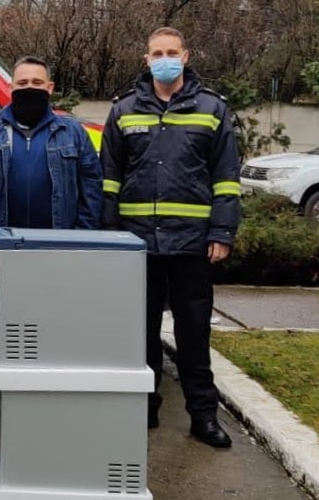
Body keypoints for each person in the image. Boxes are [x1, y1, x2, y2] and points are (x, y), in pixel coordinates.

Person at [101, 27, 241, 448]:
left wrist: (222, 231)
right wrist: (109, 236)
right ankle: (143, 407)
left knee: (193, 334)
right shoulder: (124, 110)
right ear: (146, 59)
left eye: (171, 52)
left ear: (186, 56)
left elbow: (226, 177)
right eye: (157, 53)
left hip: (192, 244)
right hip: (137, 244)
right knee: (139, 333)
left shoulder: (212, 109)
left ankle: (203, 416)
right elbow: (109, 179)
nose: (165, 59)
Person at [0, 56, 103, 427]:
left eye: (37, 82)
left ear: (50, 88)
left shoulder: (73, 134)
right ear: (11, 88)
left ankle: (43, 396)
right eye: (22, 83)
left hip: (53, 252)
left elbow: (91, 188)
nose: (29, 89)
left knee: (49, 325)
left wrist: (78, 241)